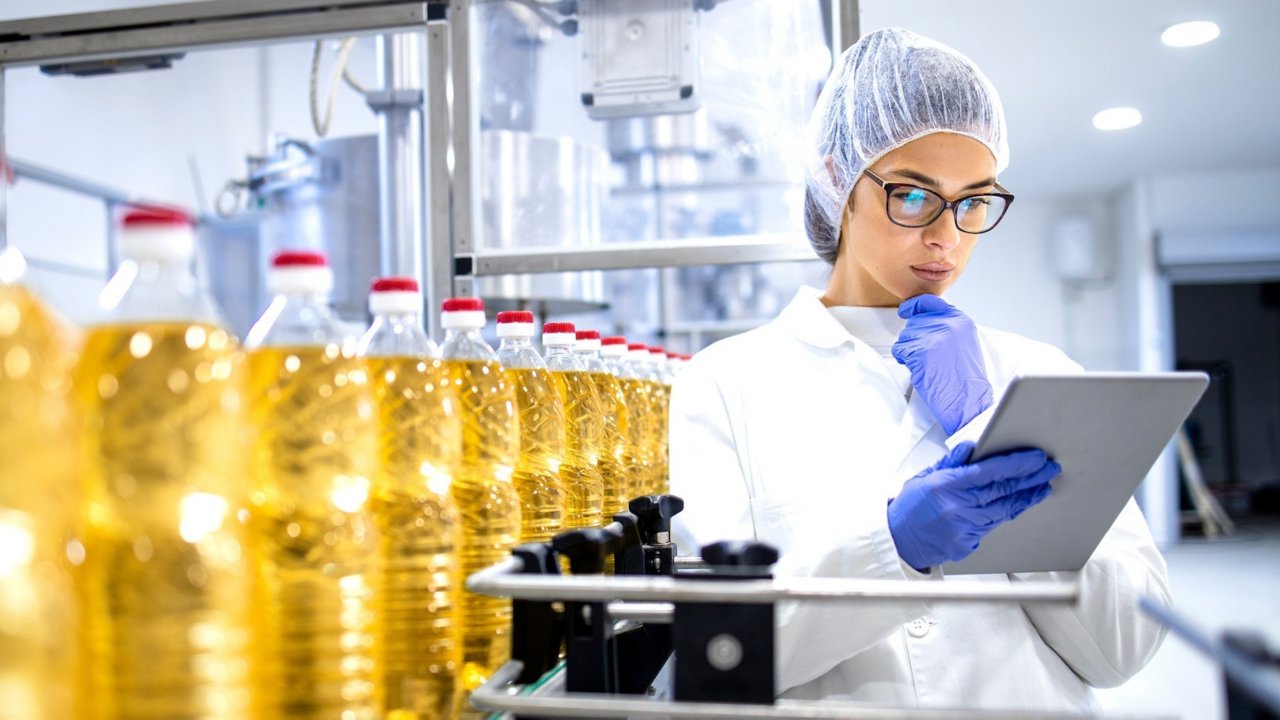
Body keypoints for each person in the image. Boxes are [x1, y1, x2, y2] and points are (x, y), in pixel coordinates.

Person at [669, 27, 1171, 712]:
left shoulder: (1039, 371)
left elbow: (1124, 648)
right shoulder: (723, 384)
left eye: (973, 201)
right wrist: (891, 550)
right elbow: (718, 652)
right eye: (912, 195)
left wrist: (988, 424)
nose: (948, 237)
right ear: (835, 178)